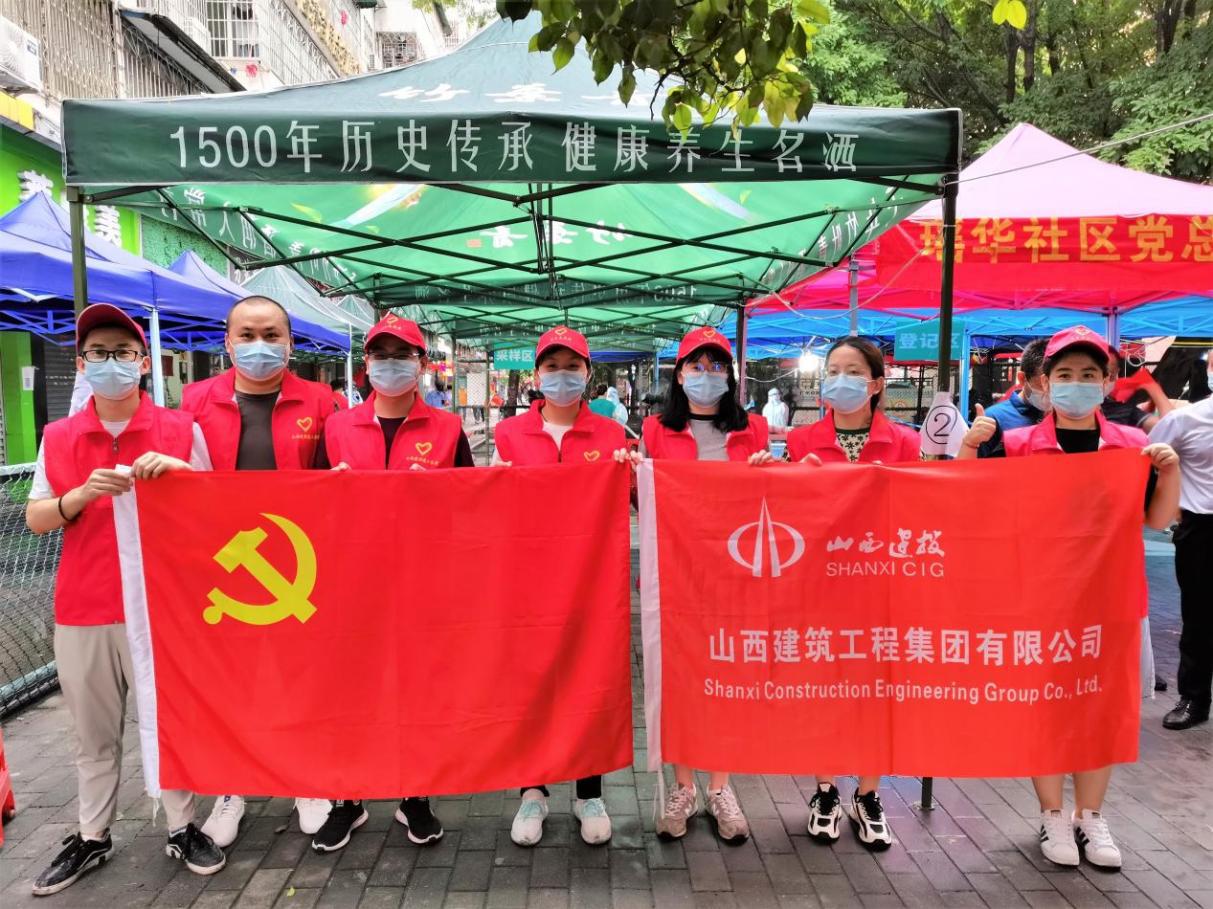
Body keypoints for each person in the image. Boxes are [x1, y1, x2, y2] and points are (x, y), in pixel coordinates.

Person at [960, 325, 1179, 870]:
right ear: (1043, 382)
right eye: (1064, 374)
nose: (1075, 383)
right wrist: (968, 446)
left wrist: (1169, 471)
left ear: (1107, 382)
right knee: (1045, 706)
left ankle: (1091, 815)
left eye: (1088, 374)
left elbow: (1157, 519)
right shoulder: (1015, 445)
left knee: (1100, 707)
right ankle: (1052, 814)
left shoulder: (1131, 448)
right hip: (1039, 599)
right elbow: (971, 508)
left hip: (1110, 601)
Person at [25, 304, 225, 896]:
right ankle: (92, 834)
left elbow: (217, 512)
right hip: (85, 607)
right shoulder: (60, 436)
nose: (110, 362)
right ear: (81, 363)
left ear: (143, 362)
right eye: (98, 353)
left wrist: (182, 475)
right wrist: (80, 495)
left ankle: (183, 825)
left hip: (164, 607)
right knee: (93, 733)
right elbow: (36, 517)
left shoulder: (179, 428)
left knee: (170, 719)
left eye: (122, 352)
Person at [308, 315, 473, 851]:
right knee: (349, 692)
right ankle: (347, 798)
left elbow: (473, 505)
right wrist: (329, 494)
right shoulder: (337, 427)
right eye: (381, 355)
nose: (391, 365)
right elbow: (306, 507)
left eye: (402, 355)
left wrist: (439, 498)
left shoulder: (447, 429)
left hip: (423, 585)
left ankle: (414, 795)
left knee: (418, 691)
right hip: (350, 584)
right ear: (367, 363)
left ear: (421, 364)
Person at [182, 295, 336, 848]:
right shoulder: (195, 401)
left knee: (301, 678)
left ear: (290, 343)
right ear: (227, 342)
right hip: (226, 568)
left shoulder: (321, 402)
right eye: (246, 335)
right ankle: (231, 787)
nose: (259, 346)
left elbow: (337, 480)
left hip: (301, 564)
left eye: (271, 335)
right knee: (231, 682)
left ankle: (306, 781)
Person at [491, 326, 627, 848]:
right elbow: (488, 507)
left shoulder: (612, 435)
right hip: (526, 585)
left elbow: (637, 500)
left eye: (573, 367)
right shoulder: (509, 434)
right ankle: (533, 790)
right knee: (532, 683)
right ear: (536, 374)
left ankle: (589, 792)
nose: (562, 376)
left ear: (588, 374)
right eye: (552, 367)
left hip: (592, 584)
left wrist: (633, 473)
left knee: (590, 681)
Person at [785, 337, 918, 852]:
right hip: (821, 585)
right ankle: (825, 790)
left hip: (884, 585)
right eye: (833, 370)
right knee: (823, 688)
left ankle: (868, 793)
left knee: (876, 692)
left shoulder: (904, 443)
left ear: (876, 383)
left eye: (853, 371)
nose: (840, 380)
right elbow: (788, 512)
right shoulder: (801, 440)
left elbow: (926, 508)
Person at [642, 326, 773, 846]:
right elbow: (641, 498)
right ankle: (683, 787)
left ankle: (720, 787)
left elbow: (773, 499)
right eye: (695, 366)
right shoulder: (655, 430)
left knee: (726, 678)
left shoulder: (754, 429)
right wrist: (628, 471)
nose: (706, 374)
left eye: (716, 365)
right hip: (675, 576)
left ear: (731, 376)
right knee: (680, 682)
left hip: (735, 576)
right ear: (679, 375)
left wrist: (770, 471)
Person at [1149, 370, 1213, 730]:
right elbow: (1146, 461)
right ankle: (1194, 698)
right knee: (1199, 617)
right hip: (1202, 528)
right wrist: (1170, 503)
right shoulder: (1186, 419)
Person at [978, 339, 1050, 457]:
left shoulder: (1064, 415)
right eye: (1042, 385)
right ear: (1022, 379)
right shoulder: (993, 418)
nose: (1050, 393)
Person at [1103, 347, 1174, 433]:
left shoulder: (1122, 411)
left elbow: (1172, 428)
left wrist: (1152, 387)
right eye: (1089, 375)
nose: (1103, 381)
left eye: (1110, 375)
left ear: (1116, 374)